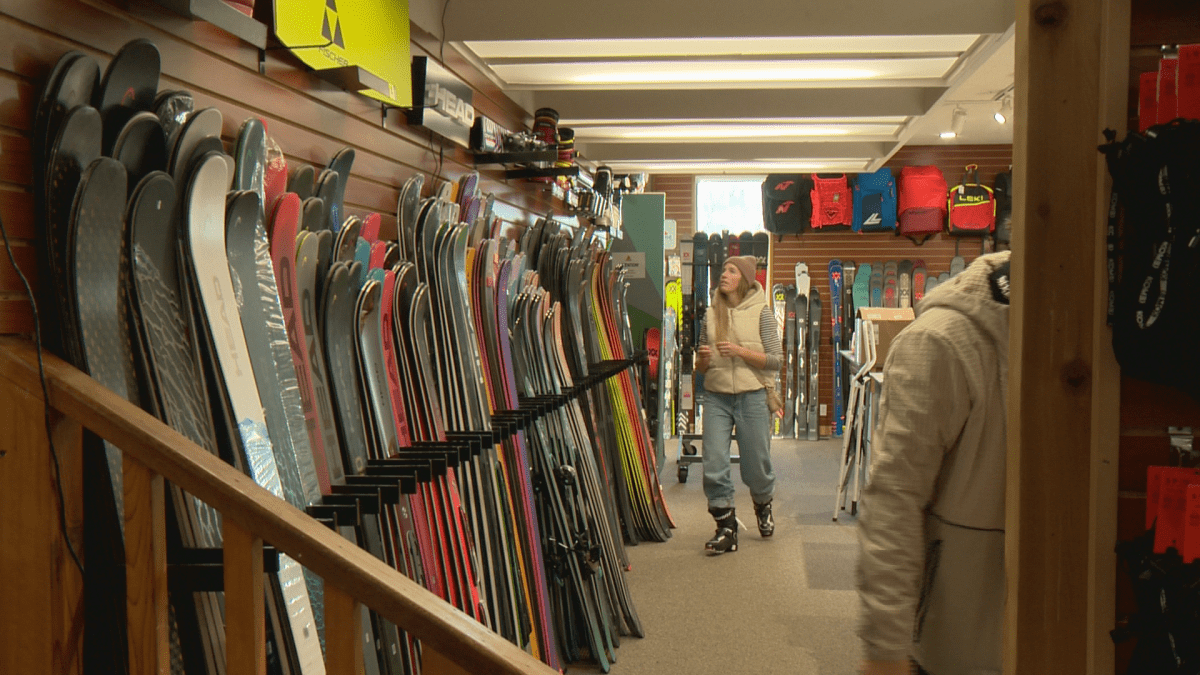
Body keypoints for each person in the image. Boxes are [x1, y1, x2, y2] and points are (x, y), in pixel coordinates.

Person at [857, 250, 1011, 675]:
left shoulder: (1080, 333)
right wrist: (884, 650)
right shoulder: (939, 343)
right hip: (955, 640)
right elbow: (892, 501)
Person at [694, 254, 783, 554]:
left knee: (756, 467)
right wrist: (703, 360)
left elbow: (775, 361)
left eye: (732, 271)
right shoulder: (710, 314)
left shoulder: (762, 312)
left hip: (753, 395)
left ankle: (763, 504)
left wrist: (739, 351)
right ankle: (725, 528)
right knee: (714, 463)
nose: (724, 274)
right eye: (723, 269)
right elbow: (700, 366)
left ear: (744, 279)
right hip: (717, 396)